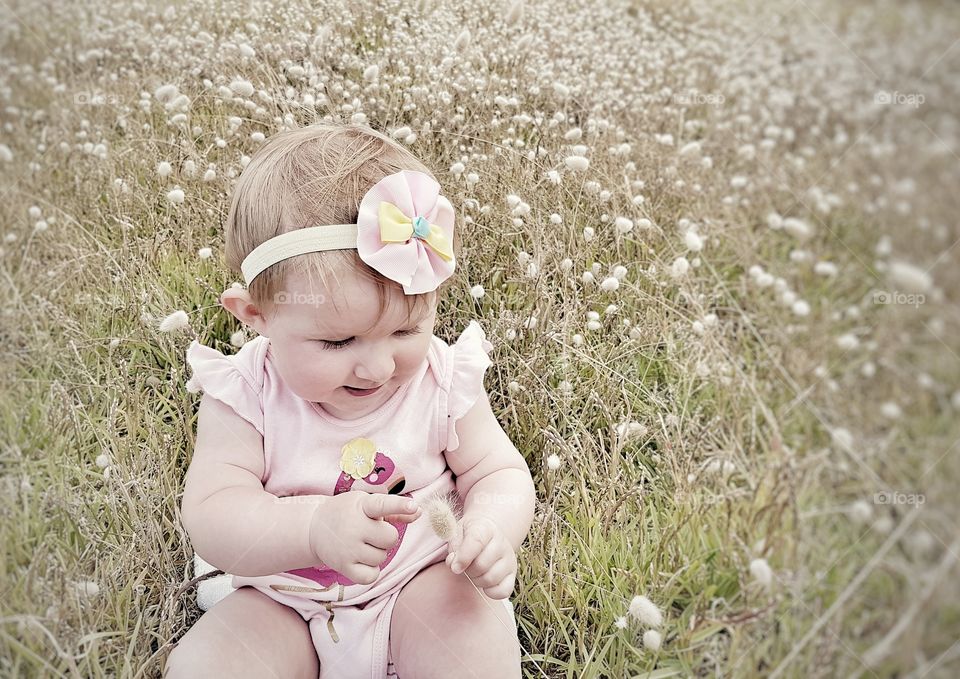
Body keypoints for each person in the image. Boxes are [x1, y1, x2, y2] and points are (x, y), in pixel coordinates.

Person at [164, 123, 536, 679]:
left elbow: (498, 470)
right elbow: (213, 512)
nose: (379, 367)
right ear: (255, 315)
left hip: (420, 581)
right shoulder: (245, 394)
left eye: (406, 330)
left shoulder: (442, 377)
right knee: (206, 666)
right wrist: (311, 530)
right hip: (282, 598)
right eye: (337, 342)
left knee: (471, 639)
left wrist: (491, 526)